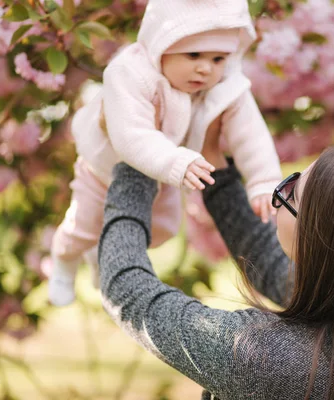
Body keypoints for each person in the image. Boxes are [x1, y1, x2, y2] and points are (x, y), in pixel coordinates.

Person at [97, 125, 334, 399]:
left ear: (320, 240)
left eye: (292, 193)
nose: (279, 199)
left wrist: (137, 153)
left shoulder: (264, 357)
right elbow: (270, 260)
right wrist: (215, 168)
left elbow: (128, 292)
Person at [48, 0, 282, 306]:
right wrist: (177, 161)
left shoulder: (223, 84)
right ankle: (63, 264)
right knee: (81, 226)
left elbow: (251, 134)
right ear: (162, 44)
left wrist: (263, 181)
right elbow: (131, 135)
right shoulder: (131, 73)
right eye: (193, 54)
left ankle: (102, 254)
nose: (205, 68)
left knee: (164, 228)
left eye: (218, 58)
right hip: (103, 171)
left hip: (165, 173)